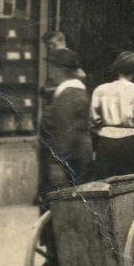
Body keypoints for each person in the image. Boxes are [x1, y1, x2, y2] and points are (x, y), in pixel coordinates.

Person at [89, 51, 134, 179]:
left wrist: (104, 130)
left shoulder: (100, 90)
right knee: (129, 186)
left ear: (116, 69)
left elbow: (93, 120)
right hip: (129, 146)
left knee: (105, 186)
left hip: (106, 145)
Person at [37, 48, 93, 205]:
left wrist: (56, 164)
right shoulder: (77, 91)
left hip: (68, 164)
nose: (50, 72)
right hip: (77, 158)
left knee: (61, 211)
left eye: (51, 67)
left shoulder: (68, 95)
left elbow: (64, 132)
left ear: (59, 69)